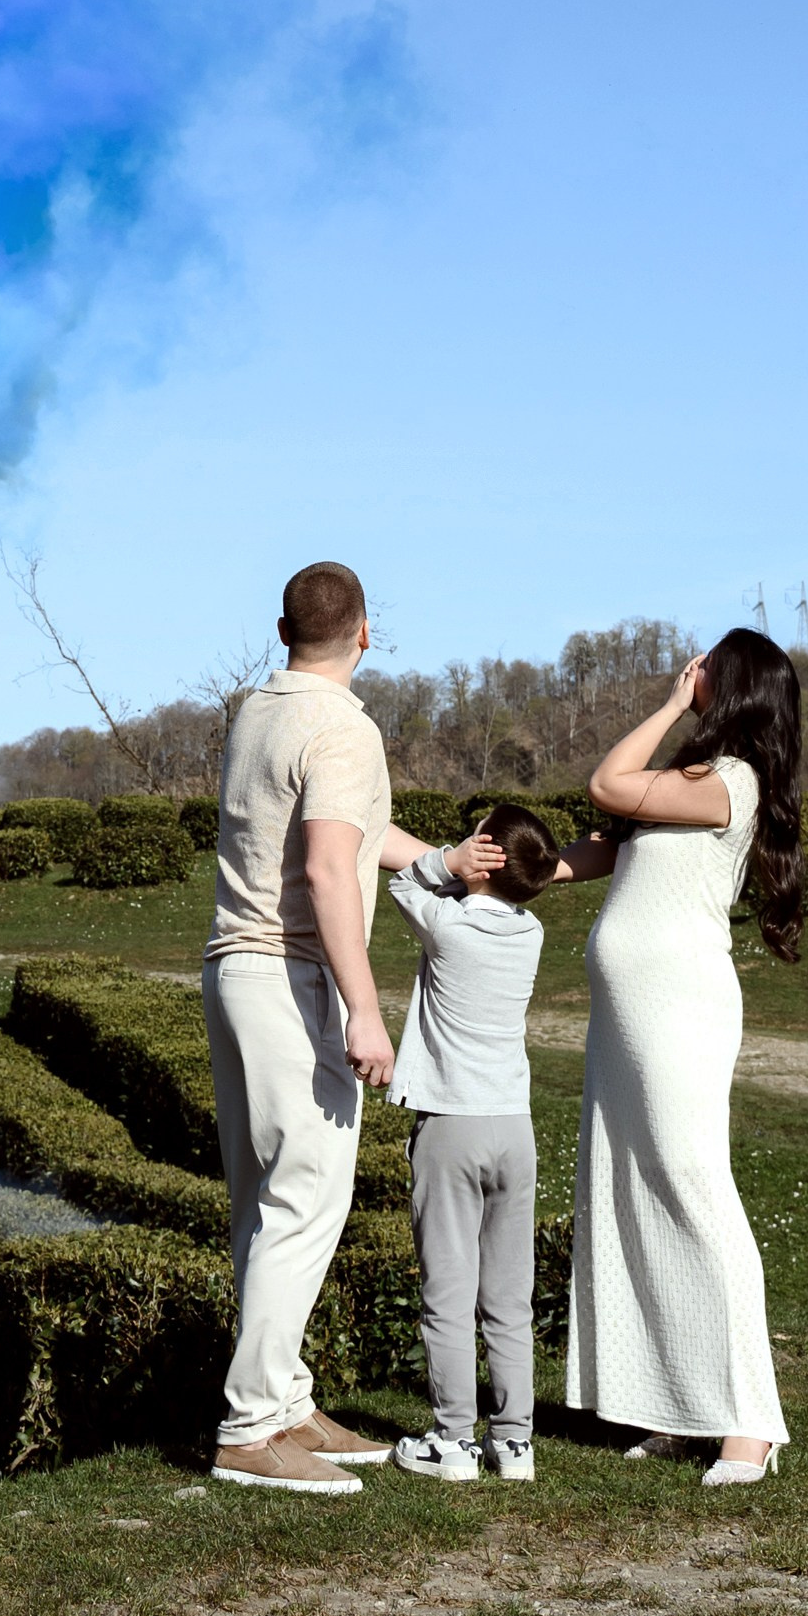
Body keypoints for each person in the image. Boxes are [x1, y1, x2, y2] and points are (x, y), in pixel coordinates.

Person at [553, 628, 804, 1484]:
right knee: (630, 1190)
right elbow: (604, 843)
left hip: (679, 1011)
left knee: (693, 1192)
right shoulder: (692, 783)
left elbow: (606, 782)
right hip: (629, 1016)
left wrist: (665, 706)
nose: (690, 674)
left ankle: (748, 1423)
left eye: (705, 668)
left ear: (728, 686)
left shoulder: (730, 780)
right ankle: (673, 1404)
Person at [204, 559, 400, 1496]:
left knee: (263, 1201)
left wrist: (436, 859)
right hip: (294, 977)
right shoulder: (344, 727)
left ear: (283, 633)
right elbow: (328, 870)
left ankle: (284, 1403)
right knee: (307, 1198)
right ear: (367, 633)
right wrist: (364, 1009)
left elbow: (339, 831)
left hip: (233, 973)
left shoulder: (257, 712)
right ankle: (248, 1429)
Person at [381, 796, 566, 1485]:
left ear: (485, 859)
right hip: (514, 1130)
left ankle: (452, 1441)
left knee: (449, 1294)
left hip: (450, 1128)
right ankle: (515, 1443)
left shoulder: (448, 924)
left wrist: (444, 861)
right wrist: (474, 867)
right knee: (509, 1298)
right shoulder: (533, 933)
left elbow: (403, 881)